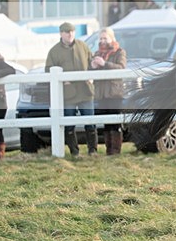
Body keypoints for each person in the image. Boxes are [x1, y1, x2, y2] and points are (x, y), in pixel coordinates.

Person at [46, 22, 96, 156]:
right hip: (68, 94)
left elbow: (92, 62)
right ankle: (74, 152)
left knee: (90, 121)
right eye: (67, 32)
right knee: (68, 124)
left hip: (85, 91)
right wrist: (61, 80)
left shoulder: (83, 46)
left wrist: (91, 75)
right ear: (61, 33)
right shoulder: (54, 51)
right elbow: (48, 70)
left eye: (72, 32)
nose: (70, 34)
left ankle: (93, 150)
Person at [91, 27, 127, 155]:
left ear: (112, 38)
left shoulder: (119, 52)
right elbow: (90, 73)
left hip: (114, 93)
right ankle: (108, 150)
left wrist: (105, 64)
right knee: (106, 124)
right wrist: (93, 67)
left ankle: (116, 151)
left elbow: (121, 68)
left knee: (115, 123)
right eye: (101, 38)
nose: (103, 41)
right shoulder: (97, 53)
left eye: (105, 38)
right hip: (101, 94)